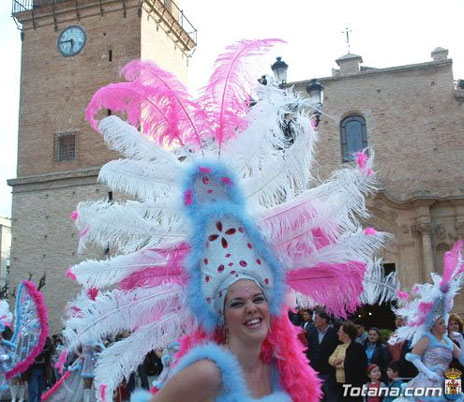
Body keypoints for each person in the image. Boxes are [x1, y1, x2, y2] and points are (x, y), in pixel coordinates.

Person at [61, 38, 387, 401]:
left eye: (257, 298)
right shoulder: (206, 373)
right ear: (221, 314)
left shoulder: (282, 368)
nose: (251, 307)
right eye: (237, 302)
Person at [391, 241, 464, 402]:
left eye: (444, 323)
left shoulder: (447, 341)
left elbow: (462, 359)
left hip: (445, 382)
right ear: (433, 326)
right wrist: (428, 372)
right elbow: (412, 357)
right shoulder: (427, 339)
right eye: (441, 323)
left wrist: (461, 342)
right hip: (426, 383)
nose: (444, 325)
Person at [329, 321, 368, 401]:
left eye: (340, 332)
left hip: (352, 385)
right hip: (338, 384)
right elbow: (330, 360)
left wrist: (339, 363)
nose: (337, 333)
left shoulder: (357, 348)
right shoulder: (339, 346)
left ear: (346, 334)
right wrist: (338, 361)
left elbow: (352, 364)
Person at [307, 308, 340, 401]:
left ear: (324, 320)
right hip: (314, 372)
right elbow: (310, 351)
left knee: (330, 397)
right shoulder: (312, 333)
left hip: (329, 373)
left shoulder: (335, 333)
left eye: (316, 318)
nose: (314, 320)